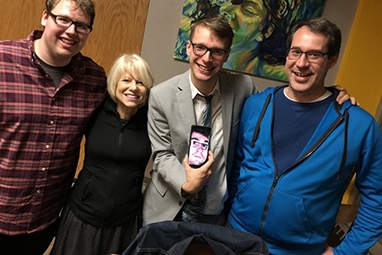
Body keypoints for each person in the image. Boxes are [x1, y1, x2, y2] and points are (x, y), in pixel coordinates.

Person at [142, 14, 353, 227]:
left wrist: (328, 95)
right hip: (169, 207)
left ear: (226, 55)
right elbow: (162, 154)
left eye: (217, 51)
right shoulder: (161, 95)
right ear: (188, 47)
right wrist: (187, 184)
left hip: (216, 212)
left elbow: (276, 106)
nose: (206, 58)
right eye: (200, 48)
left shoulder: (242, 87)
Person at [227, 17, 382, 255]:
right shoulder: (256, 105)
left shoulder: (358, 126)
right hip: (235, 239)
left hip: (298, 251)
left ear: (332, 59)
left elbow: (376, 197)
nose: (301, 63)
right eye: (296, 52)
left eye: (314, 55)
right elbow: (238, 165)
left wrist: (346, 252)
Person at [0, 0, 107, 254]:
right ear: (44, 17)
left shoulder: (94, 79)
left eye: (82, 26)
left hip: (43, 222)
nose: (71, 31)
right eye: (63, 19)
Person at [51, 54, 154, 255]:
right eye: (126, 80)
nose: (133, 87)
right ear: (115, 83)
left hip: (125, 219)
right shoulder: (95, 110)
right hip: (83, 213)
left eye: (140, 82)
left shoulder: (153, 119)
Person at [219, 0, 288, 80]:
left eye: (248, 10)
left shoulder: (280, 75)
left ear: (266, 31)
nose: (226, 10)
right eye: (231, 2)